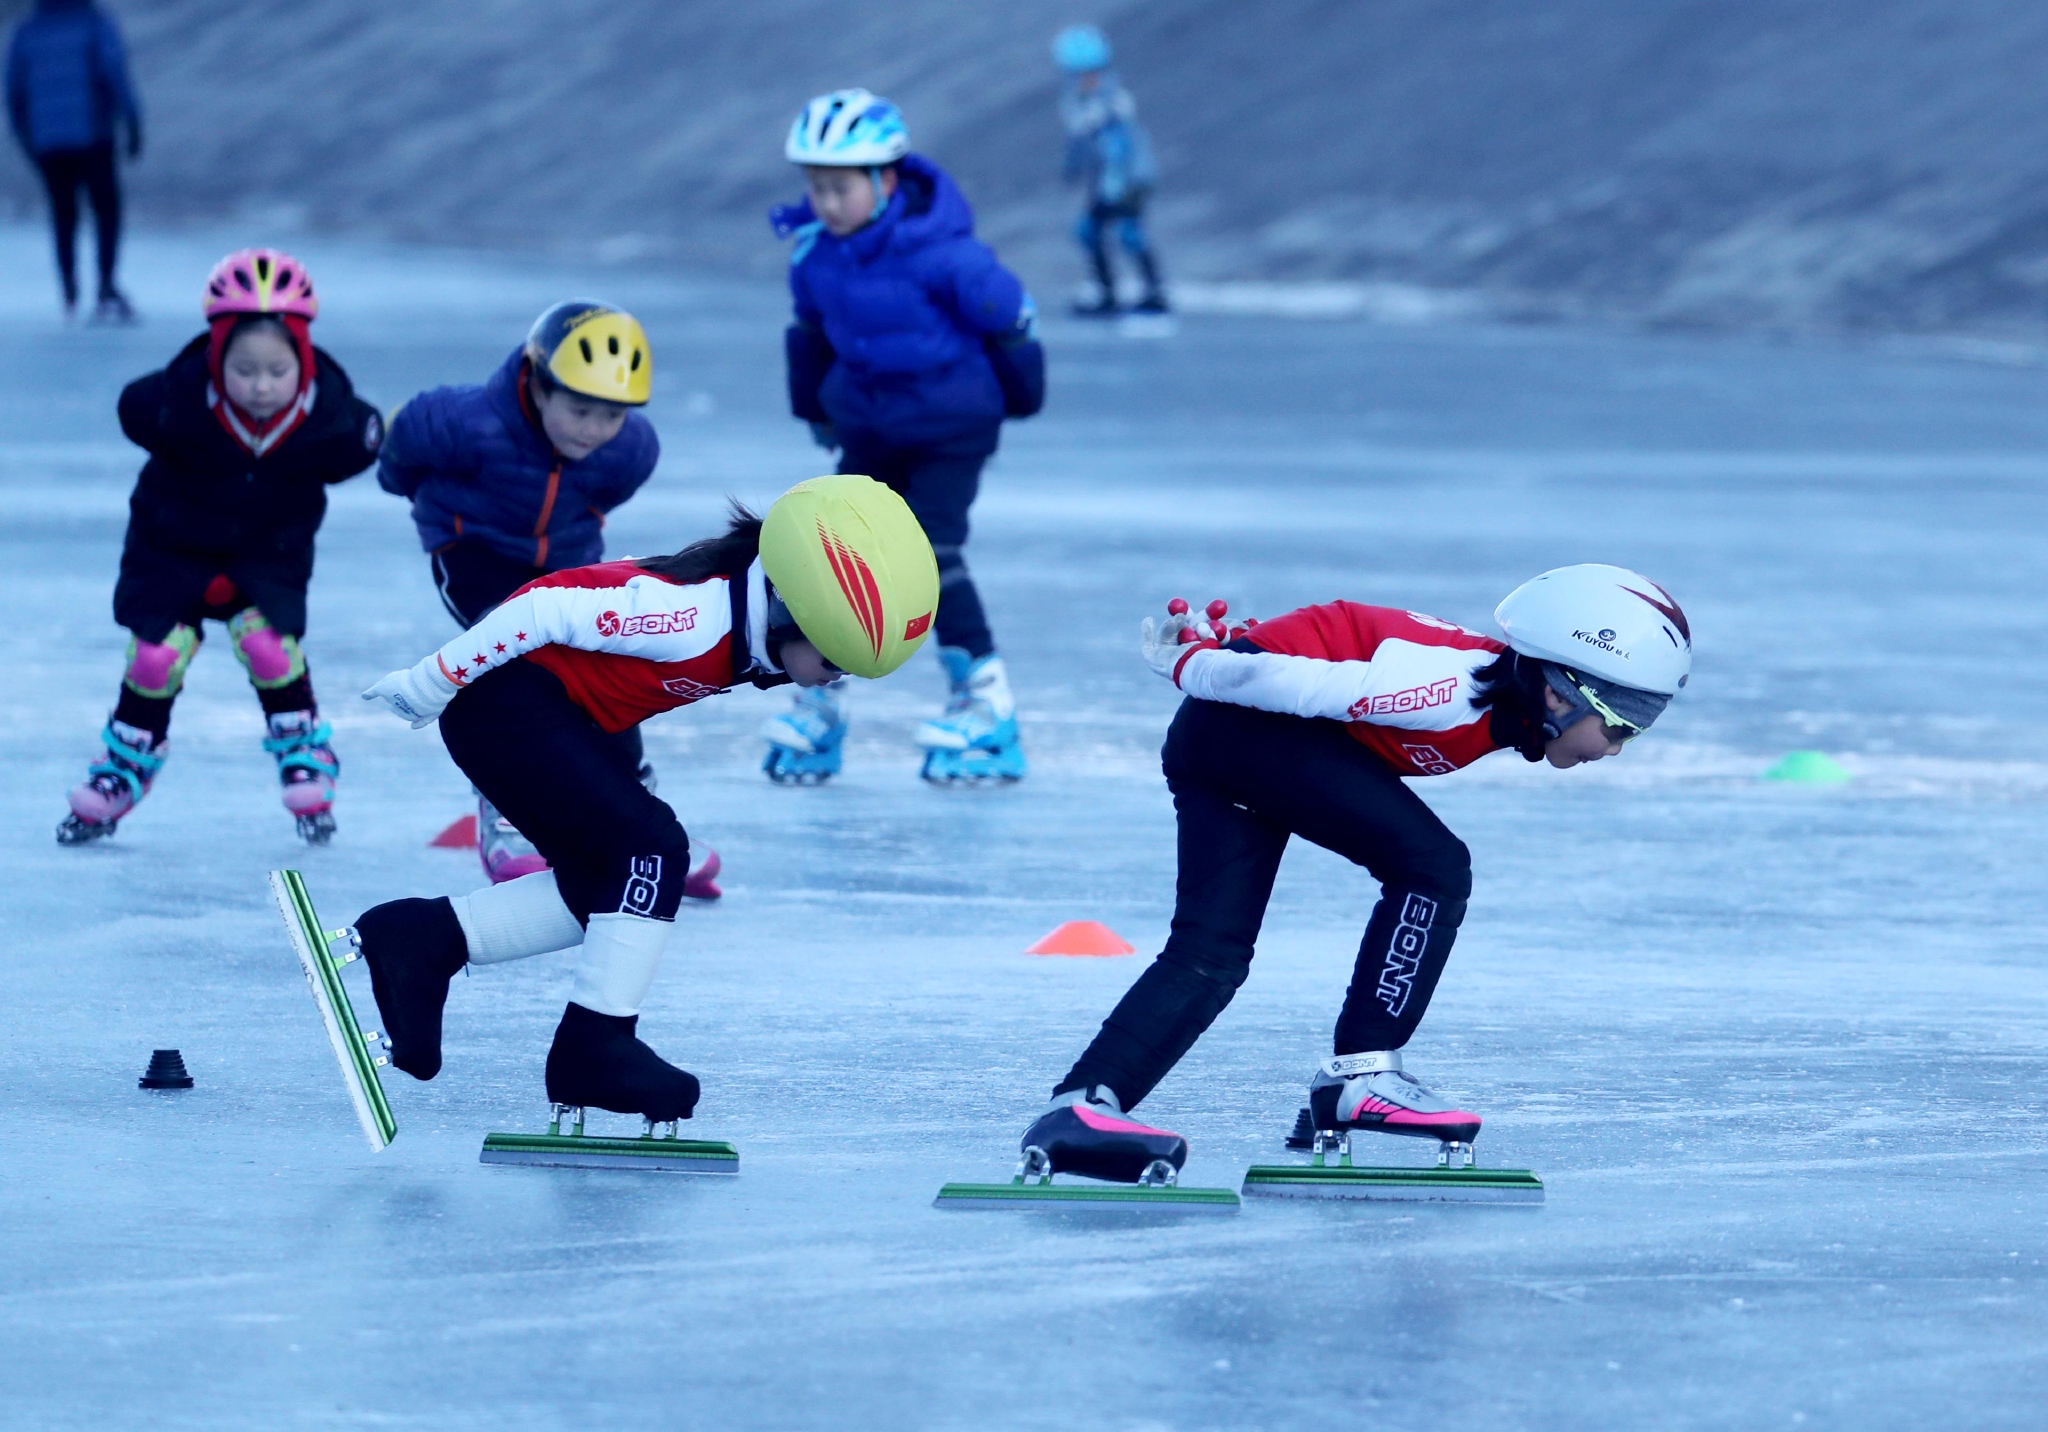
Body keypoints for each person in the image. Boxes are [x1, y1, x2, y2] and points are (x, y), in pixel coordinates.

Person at [1018, 566, 1694, 1184]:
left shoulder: (1490, 704)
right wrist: (1199, 662)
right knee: (1433, 867)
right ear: (1556, 691)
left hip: (1226, 736)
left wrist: (1246, 647)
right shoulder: (1451, 689)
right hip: (1242, 721)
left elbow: (1327, 652)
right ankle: (1361, 1075)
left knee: (1211, 952)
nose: (1619, 745)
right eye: (1623, 720)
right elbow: (1292, 683)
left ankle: (1084, 1105)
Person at [351, 475, 937, 1122]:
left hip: (557, 716)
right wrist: (436, 678)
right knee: (655, 849)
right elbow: (545, 604)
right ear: (788, 614)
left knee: (610, 885)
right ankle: (595, 1047)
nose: (833, 681)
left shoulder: (739, 621)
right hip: (505, 711)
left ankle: (422, 940)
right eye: (833, 663)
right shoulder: (693, 619)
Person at [58, 248, 384, 846]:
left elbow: (362, 445)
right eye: (243, 369)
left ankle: (304, 751)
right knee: (156, 656)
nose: (261, 386)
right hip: (172, 549)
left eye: (278, 371)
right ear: (215, 360)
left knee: (268, 648)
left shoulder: (330, 421)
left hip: (267, 557)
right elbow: (134, 407)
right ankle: (125, 767)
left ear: (305, 364)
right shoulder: (175, 403)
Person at [765, 88, 1044, 785]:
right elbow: (810, 337)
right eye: (816, 188)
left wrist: (1021, 398)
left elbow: (1013, 323)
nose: (827, 204)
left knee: (931, 552)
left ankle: (985, 704)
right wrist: (815, 410)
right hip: (870, 424)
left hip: (952, 427)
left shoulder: (946, 254)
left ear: (886, 180)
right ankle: (820, 701)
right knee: (826, 555)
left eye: (841, 188)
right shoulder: (815, 255)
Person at [378, 301, 660, 881]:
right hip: (473, 553)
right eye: (580, 410)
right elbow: (398, 453)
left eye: (611, 417)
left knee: (606, 664)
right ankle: (505, 805)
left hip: (564, 567)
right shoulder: (463, 421)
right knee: (512, 658)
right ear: (538, 385)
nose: (593, 430)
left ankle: (636, 804)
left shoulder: (631, 449)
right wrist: (436, 514)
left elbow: (607, 491)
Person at [5, 0, 141, 322]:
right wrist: (133, 122)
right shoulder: (95, 23)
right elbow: (115, 73)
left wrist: (26, 138)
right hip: (93, 135)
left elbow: (13, 90)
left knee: (63, 214)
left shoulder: (27, 30)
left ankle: (68, 290)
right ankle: (105, 285)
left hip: (48, 141)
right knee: (106, 210)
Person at [1052, 24, 1165, 316]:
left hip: (1126, 181)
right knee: (1091, 232)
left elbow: (1119, 148)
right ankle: (1110, 293)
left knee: (1127, 232)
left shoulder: (1112, 102)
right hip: (1109, 182)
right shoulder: (1084, 102)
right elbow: (1083, 147)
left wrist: (1114, 183)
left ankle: (1151, 293)